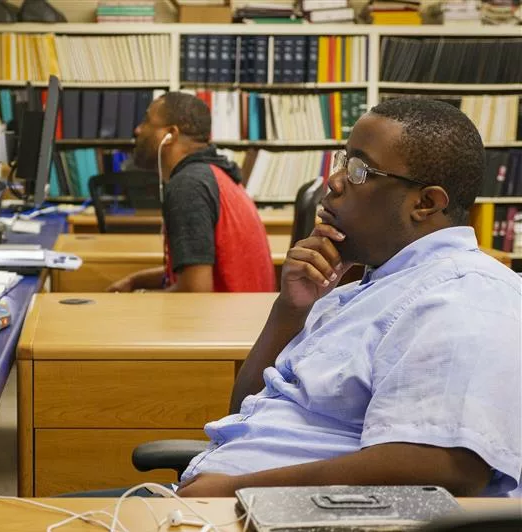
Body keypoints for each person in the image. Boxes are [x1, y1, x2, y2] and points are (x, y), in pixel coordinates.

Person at [173, 98, 521, 498]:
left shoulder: (464, 296)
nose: (334, 181)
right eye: (342, 161)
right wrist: (290, 311)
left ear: (425, 203)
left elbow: (442, 466)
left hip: (268, 513)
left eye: (359, 170)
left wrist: (233, 489)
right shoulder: (362, 290)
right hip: (227, 503)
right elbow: (247, 409)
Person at [106, 92, 275, 293]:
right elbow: (197, 270)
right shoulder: (216, 174)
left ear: (170, 134)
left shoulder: (188, 186)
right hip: (245, 314)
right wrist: (136, 281)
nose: (138, 129)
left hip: (226, 322)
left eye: (146, 121)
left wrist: (140, 298)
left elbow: (195, 293)